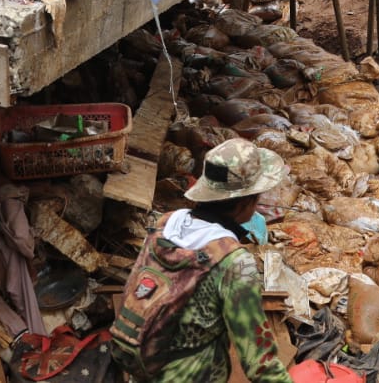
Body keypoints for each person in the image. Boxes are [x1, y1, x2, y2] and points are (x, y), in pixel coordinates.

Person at [113, 139, 290, 383]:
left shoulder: (165, 224)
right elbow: (260, 363)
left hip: (145, 365)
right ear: (244, 203)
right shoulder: (234, 262)